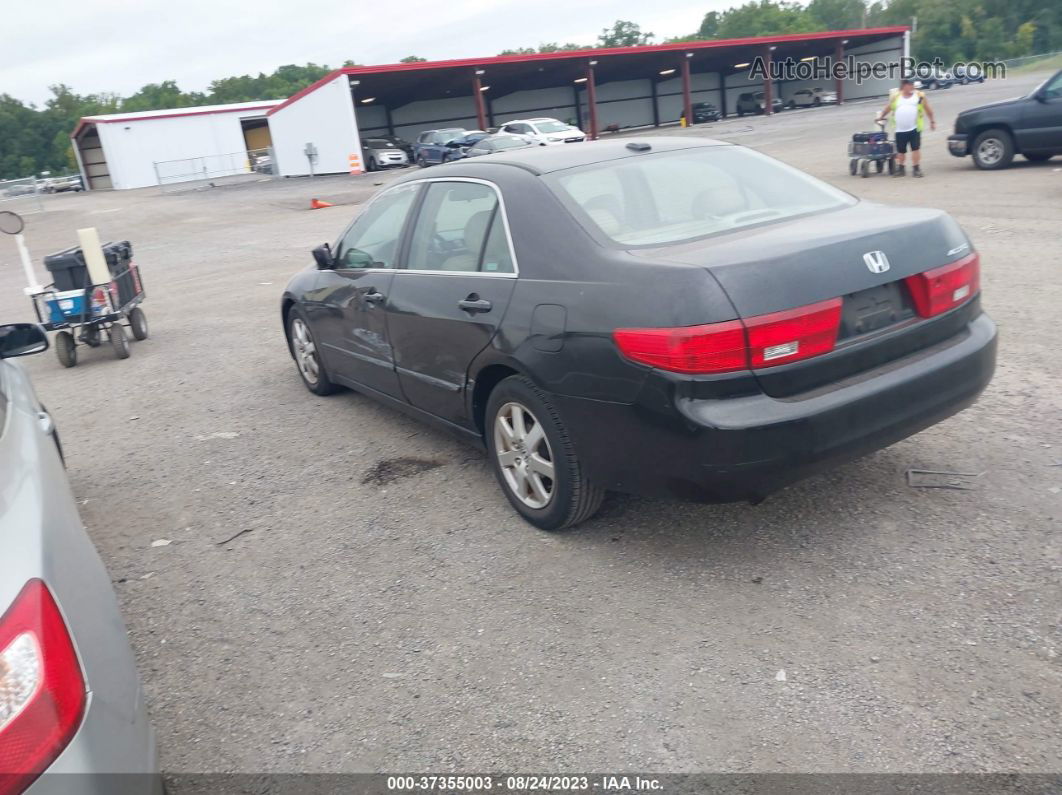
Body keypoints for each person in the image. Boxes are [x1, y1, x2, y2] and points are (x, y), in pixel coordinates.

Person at [876, 78, 936, 177]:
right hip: (900, 129)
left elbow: (928, 109)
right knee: (900, 151)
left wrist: (932, 121)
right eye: (910, 85)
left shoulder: (919, 96)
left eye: (913, 85)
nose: (912, 87)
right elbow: (889, 107)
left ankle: (916, 169)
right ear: (904, 86)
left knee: (915, 148)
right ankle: (901, 169)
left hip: (914, 128)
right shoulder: (896, 97)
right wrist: (881, 116)